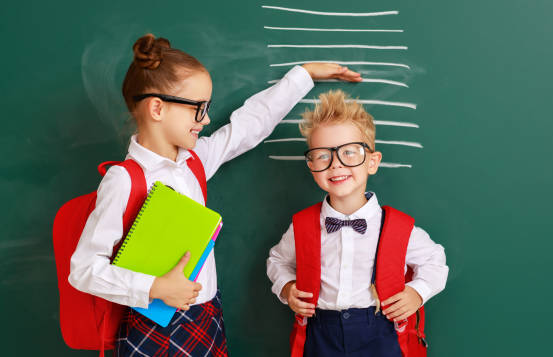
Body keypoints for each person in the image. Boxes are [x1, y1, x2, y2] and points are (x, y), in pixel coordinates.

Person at [69, 34, 361, 356]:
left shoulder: (194, 161)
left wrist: (303, 75)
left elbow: (248, 126)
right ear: (157, 108)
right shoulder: (124, 180)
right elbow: (84, 269)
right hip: (152, 328)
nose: (206, 119)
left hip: (206, 317)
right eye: (199, 109)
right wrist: (155, 287)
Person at [267, 90, 448, 356]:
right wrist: (287, 288)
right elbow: (278, 261)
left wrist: (417, 293)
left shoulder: (399, 228)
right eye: (323, 155)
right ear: (311, 165)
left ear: (372, 162)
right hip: (319, 335)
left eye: (349, 153)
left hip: (382, 333)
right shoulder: (302, 225)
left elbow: (435, 261)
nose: (336, 164)